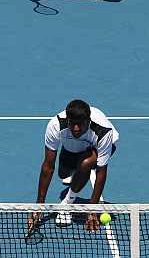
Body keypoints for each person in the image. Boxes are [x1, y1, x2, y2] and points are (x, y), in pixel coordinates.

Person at [28, 99, 119, 231]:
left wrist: (92, 210)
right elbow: (48, 166)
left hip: (96, 148)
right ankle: (78, 174)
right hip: (72, 147)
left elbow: (101, 172)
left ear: (88, 121)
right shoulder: (56, 125)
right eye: (73, 124)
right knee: (63, 173)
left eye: (80, 125)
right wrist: (39, 206)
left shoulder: (103, 131)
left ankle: (67, 203)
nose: (76, 129)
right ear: (68, 120)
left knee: (86, 164)